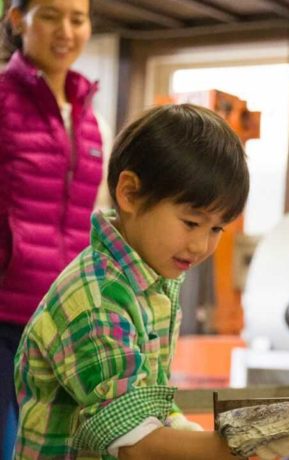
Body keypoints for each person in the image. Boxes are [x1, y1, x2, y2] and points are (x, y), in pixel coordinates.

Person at [13, 103, 289, 459]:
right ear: (129, 193)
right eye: (191, 222)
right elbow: (136, 445)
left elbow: (152, 408)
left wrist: (205, 439)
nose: (200, 245)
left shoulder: (154, 282)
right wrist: (240, 446)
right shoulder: (95, 300)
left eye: (216, 228)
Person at [0, 1, 102, 458]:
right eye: (50, 15)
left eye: (77, 19)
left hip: (62, 317)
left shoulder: (88, 119)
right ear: (18, 19)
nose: (66, 30)